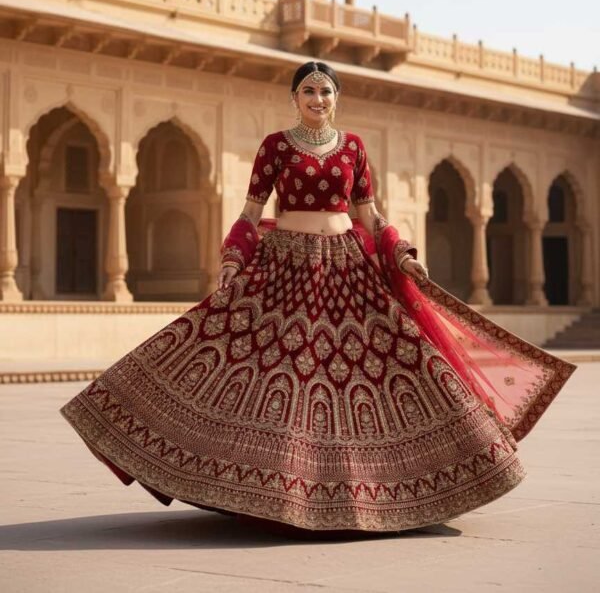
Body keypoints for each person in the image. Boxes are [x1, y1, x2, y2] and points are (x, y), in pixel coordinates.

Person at [60, 60, 576, 533]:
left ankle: (375, 490)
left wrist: (400, 253)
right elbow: (249, 212)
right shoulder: (276, 146)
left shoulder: (352, 147)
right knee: (281, 372)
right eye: (308, 90)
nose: (318, 98)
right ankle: (276, 490)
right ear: (294, 98)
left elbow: (370, 215)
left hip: (347, 266)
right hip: (285, 265)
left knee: (377, 370)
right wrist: (233, 260)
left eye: (326, 91)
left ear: (336, 97)